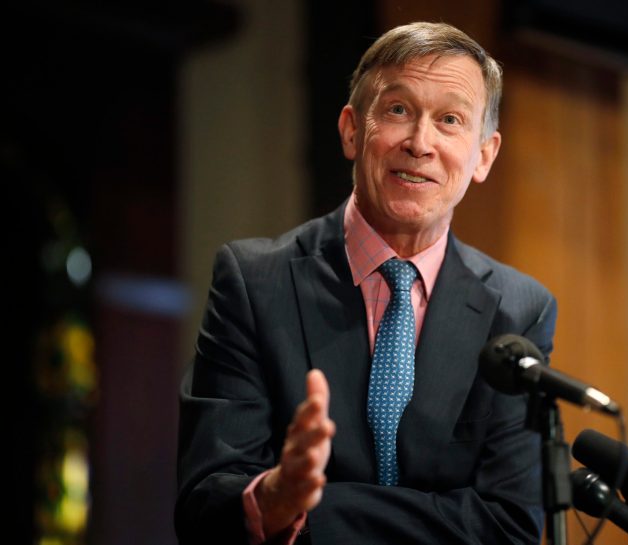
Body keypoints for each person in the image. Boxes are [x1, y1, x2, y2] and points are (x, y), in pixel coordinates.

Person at [175, 21, 557, 545]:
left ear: (483, 155)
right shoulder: (255, 283)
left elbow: (509, 526)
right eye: (398, 110)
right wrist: (270, 498)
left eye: (449, 119)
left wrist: (311, 511)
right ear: (352, 130)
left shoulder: (519, 312)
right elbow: (203, 502)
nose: (420, 143)